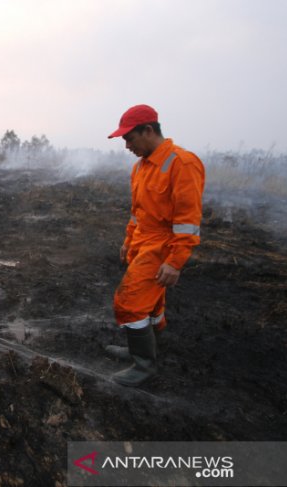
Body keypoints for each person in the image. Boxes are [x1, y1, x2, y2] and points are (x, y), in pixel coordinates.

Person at [105, 104, 205, 387]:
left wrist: (175, 262)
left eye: (130, 138)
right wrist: (128, 241)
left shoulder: (182, 164)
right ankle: (145, 348)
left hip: (162, 246)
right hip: (141, 243)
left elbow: (188, 221)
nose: (126, 145)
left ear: (148, 130)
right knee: (151, 303)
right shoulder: (140, 168)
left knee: (128, 302)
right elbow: (138, 212)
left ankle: (144, 366)